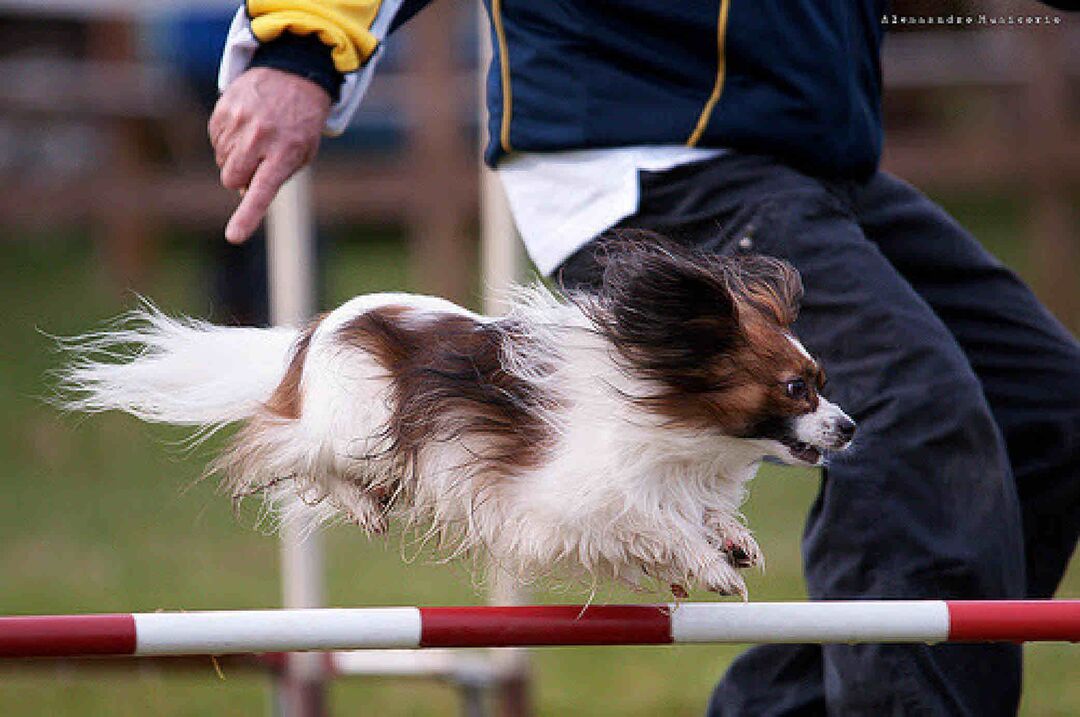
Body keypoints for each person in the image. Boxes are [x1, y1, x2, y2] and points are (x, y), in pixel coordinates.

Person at [208, 2, 1079, 714]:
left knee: (1046, 403)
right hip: (648, 147)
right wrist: (302, 45)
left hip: (809, 161)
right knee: (914, 413)